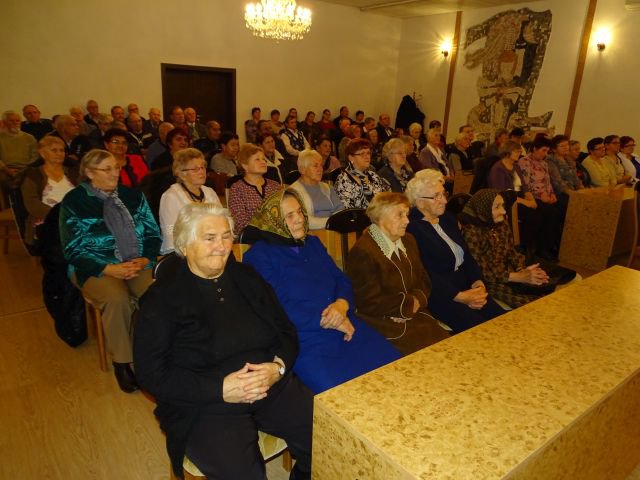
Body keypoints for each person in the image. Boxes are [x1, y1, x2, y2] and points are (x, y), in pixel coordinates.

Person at [133, 203, 312, 480]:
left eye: (226, 236)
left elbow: (286, 331)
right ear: (185, 245)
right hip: (204, 403)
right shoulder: (161, 300)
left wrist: (277, 369)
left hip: (269, 384)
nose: (221, 246)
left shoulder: (248, 277)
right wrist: (219, 389)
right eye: (210, 238)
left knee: (325, 437)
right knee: (245, 475)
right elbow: (151, 374)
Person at [243, 189, 401, 393]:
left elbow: (341, 280)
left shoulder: (313, 243)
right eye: (289, 216)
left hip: (346, 324)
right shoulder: (259, 256)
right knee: (344, 395)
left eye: (300, 212)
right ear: (272, 220)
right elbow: (277, 307)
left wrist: (342, 304)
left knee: (395, 370)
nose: (299, 219)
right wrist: (330, 320)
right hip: (305, 339)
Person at [60, 149, 161, 393]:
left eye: (116, 167)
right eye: (107, 169)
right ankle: (122, 362)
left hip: (136, 262)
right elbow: (72, 249)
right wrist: (108, 268)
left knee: (157, 293)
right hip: (94, 266)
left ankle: (156, 351)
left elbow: (153, 233)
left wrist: (145, 259)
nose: (115, 173)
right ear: (89, 173)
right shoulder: (75, 201)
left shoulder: (132, 195)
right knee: (117, 298)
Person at [346, 192, 450, 354]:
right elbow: (367, 302)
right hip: (384, 323)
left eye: (406, 214)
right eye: (399, 215)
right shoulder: (363, 252)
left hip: (414, 314)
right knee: (430, 353)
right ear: (381, 218)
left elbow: (424, 279)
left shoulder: (409, 240)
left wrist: (415, 302)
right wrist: (405, 307)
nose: (407, 221)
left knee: (447, 347)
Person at [405, 169, 504, 333]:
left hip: (466, 283)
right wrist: (461, 296)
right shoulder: (412, 229)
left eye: (443, 194)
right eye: (436, 196)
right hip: (441, 293)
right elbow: (425, 274)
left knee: (503, 320)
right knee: (482, 331)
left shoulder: (447, 218)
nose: (444, 200)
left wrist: (478, 283)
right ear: (420, 202)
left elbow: (467, 256)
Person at [20, 136, 85, 346]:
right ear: (42, 152)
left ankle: (79, 294)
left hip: (75, 223)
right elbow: (31, 204)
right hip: (47, 224)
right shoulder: (33, 175)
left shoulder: (72, 172)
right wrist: (59, 216)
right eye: (54, 150)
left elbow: (84, 195)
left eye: (62, 150)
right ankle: (63, 298)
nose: (60, 154)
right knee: (60, 257)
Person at [460, 189, 550, 308]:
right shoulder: (471, 232)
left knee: (547, 281)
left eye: (502, 205)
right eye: (497, 207)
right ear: (484, 209)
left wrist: (521, 269)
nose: (503, 211)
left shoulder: (501, 223)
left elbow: (511, 251)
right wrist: (517, 277)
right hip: (490, 281)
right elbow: (482, 272)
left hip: (509, 271)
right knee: (527, 303)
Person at [159, 148, 221, 253]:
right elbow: (171, 235)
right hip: (183, 252)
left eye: (203, 167)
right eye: (195, 169)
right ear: (181, 174)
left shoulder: (210, 192)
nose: (201, 172)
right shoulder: (171, 196)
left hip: (214, 247)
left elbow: (221, 222)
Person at [227, 143, 281, 235]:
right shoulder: (237, 189)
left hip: (278, 233)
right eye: (257, 159)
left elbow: (283, 213)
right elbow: (240, 223)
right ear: (245, 165)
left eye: (263, 159)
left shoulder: (275, 186)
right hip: (251, 237)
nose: (263, 162)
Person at [290, 149, 343, 229]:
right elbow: (305, 221)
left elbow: (340, 210)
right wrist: (332, 222)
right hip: (313, 233)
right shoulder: (294, 191)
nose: (320, 169)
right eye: (315, 166)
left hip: (335, 231)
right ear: (302, 170)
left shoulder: (328, 188)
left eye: (321, 165)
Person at [335, 138, 390, 208]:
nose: (367, 157)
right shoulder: (343, 179)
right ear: (351, 158)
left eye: (368, 153)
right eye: (362, 154)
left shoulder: (373, 175)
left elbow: (385, 199)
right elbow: (346, 210)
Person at [417, 128, 455, 193]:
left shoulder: (441, 150)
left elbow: (448, 164)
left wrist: (452, 174)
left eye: (439, 135)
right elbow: (429, 171)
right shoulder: (425, 152)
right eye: (436, 135)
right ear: (428, 137)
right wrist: (446, 178)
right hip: (436, 181)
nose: (438, 137)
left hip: (448, 179)